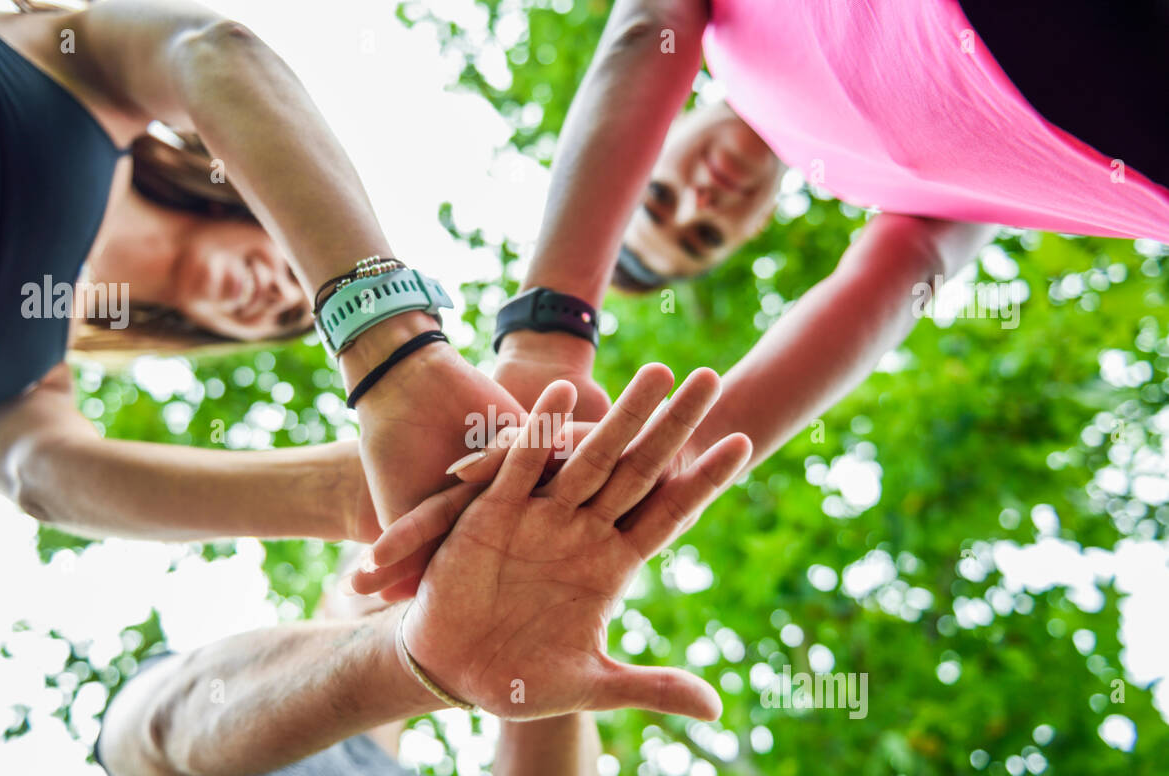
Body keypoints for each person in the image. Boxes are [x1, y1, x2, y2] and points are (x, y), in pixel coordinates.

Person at [0, 0, 528, 542]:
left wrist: (351, 496)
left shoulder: (23, 386)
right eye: (299, 283)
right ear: (257, 205)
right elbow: (212, 50)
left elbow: (38, 479)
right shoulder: (88, 79)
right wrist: (394, 348)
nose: (277, 295)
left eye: (279, 318)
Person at [78, 366, 753, 776]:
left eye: (434, 559)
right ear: (327, 597)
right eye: (389, 558)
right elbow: (170, 721)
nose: (418, 578)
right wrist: (402, 655)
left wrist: (538, 667)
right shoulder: (214, 685)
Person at [490, 0, 1169, 481]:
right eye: (703, 237)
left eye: (657, 195)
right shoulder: (883, 192)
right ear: (748, 233)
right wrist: (669, 461)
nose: (700, 202)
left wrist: (546, 334)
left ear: (652, 140)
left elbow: (645, 25)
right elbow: (903, 278)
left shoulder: (714, 24)